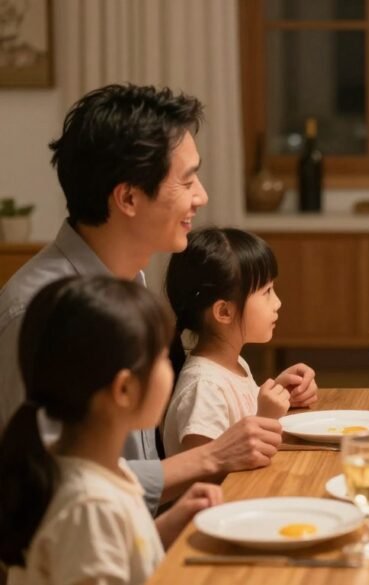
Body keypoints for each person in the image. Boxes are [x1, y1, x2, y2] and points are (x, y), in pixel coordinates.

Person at [0, 84, 288, 514]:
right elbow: (49, 487)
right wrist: (211, 456)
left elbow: (134, 464)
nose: (201, 196)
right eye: (187, 180)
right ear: (129, 197)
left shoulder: (127, 279)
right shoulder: (40, 311)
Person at [0, 276, 223, 585]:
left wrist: (172, 522)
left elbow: (117, 554)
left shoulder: (94, 470)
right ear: (124, 389)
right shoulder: (89, 508)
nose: (169, 369)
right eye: (161, 357)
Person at [163, 227, 318, 456]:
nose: (278, 303)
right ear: (224, 311)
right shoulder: (204, 388)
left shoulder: (235, 365)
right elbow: (201, 476)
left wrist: (282, 393)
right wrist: (266, 418)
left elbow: (243, 417)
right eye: (267, 292)